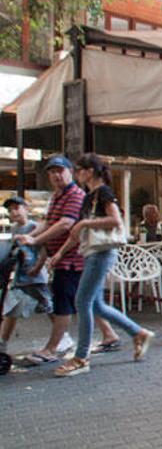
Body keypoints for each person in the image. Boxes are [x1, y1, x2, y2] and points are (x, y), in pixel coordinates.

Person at [51, 154, 155, 377]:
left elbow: (115, 221)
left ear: (90, 171)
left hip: (102, 252)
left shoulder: (103, 192)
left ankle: (81, 357)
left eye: (79, 170)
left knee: (82, 301)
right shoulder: (89, 197)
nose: (77, 174)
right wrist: (60, 253)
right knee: (96, 305)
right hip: (92, 252)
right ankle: (139, 333)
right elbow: (78, 231)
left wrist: (85, 222)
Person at [15, 155, 83, 365]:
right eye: (52, 172)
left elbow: (65, 224)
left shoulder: (75, 194)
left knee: (63, 303)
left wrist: (34, 240)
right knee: (91, 303)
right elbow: (47, 223)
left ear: (70, 171)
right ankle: (118, 335)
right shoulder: (57, 196)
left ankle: (52, 349)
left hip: (71, 258)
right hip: (60, 257)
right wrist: (31, 237)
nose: (55, 175)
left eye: (59, 170)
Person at [0, 196, 51, 356]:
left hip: (35, 277)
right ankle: (3, 344)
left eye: (17, 208)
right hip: (21, 278)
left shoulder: (34, 226)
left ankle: (62, 337)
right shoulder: (15, 229)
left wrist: (38, 267)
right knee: (11, 310)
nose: (13, 212)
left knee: (48, 306)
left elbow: (44, 249)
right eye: (10, 210)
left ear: (26, 209)